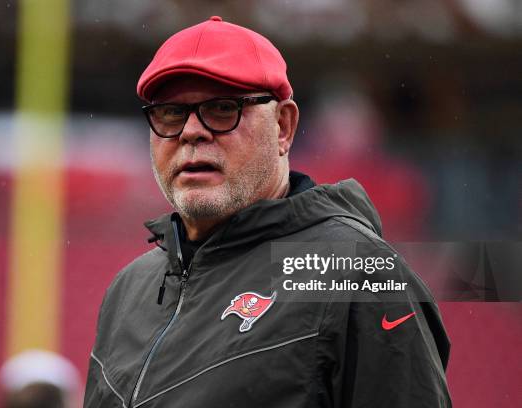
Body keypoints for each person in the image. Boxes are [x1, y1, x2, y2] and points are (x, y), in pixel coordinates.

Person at [84, 16, 451, 408]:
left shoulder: (356, 271)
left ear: (283, 127)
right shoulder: (128, 289)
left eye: (223, 108)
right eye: (171, 113)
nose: (191, 131)